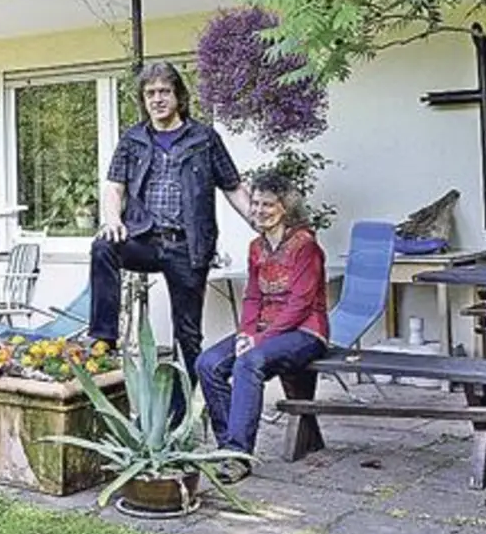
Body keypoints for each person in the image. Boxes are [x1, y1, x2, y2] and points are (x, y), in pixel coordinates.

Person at [88, 61, 253, 413]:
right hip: (144, 238)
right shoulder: (133, 140)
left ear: (178, 95)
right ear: (143, 100)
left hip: (188, 246)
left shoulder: (204, 138)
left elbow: (233, 187)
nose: (157, 99)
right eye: (150, 94)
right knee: (104, 245)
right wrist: (113, 219)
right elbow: (114, 187)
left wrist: (263, 222)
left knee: (188, 336)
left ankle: (180, 416)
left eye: (164, 92)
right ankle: (103, 336)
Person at [195, 175, 328, 484]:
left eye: (268, 204)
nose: (259, 210)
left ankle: (239, 456)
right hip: (265, 330)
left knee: (249, 362)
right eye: (255, 203)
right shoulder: (256, 247)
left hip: (306, 332)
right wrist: (245, 333)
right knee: (207, 363)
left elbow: (300, 303)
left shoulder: (305, 246)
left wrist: (258, 340)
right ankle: (228, 445)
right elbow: (253, 295)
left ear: (285, 208)